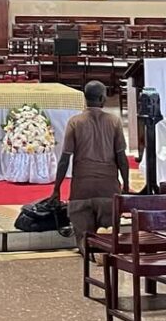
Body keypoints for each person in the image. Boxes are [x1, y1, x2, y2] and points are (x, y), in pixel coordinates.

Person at [49, 81, 130, 252]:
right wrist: (127, 185)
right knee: (108, 239)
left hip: (81, 191)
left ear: (85, 99)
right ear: (102, 98)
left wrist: (56, 189)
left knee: (84, 239)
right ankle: (103, 260)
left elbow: (65, 159)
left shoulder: (75, 122)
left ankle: (88, 256)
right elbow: (122, 158)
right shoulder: (114, 122)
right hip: (108, 192)